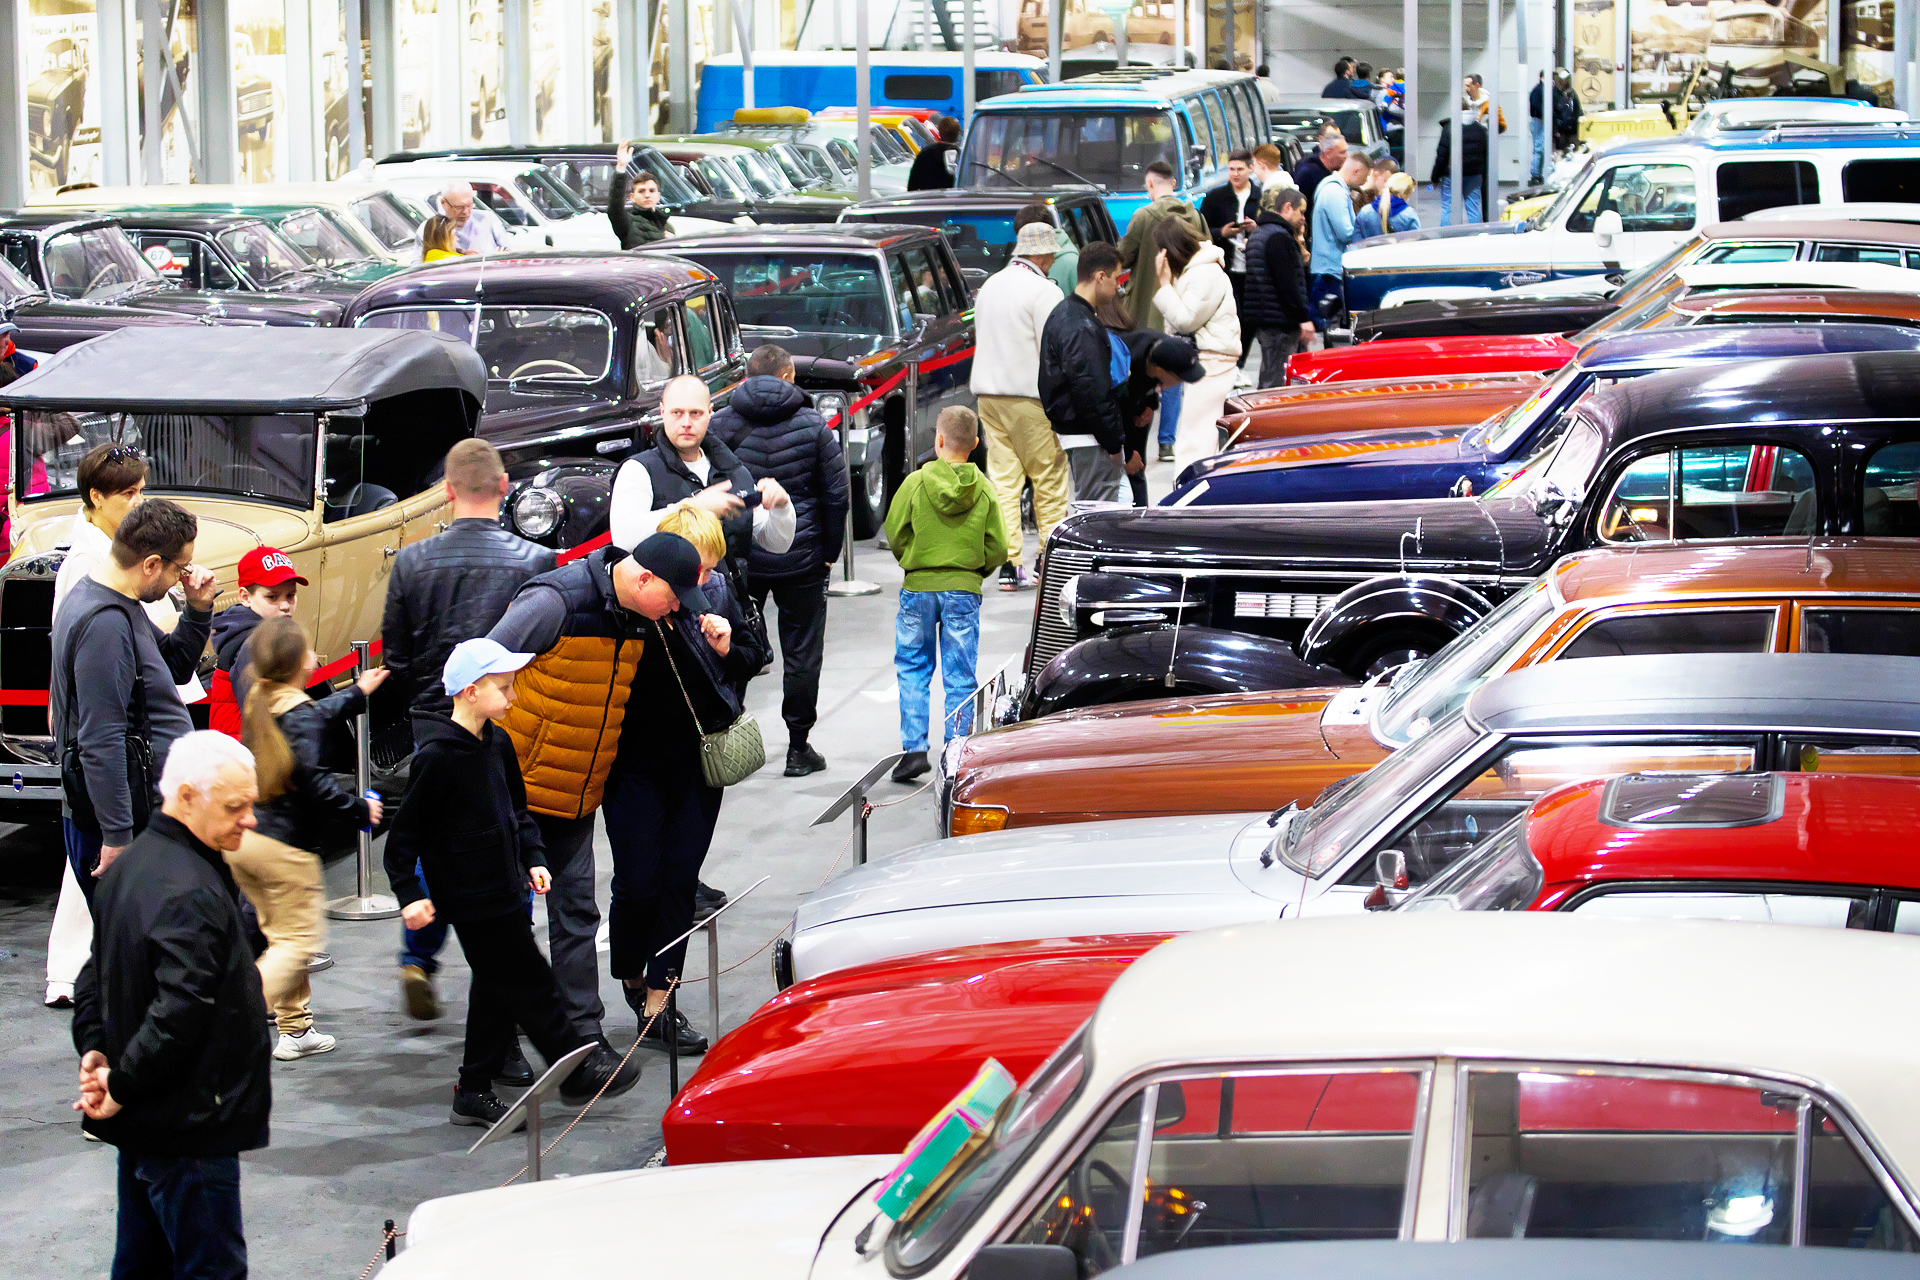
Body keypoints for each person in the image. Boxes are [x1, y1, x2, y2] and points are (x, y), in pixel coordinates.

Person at [485, 529, 724, 1056]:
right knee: (509, 924)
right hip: (516, 793)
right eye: (673, 597)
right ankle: (497, 1046)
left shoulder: (640, 614)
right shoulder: (555, 600)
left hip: (578, 794)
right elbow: (480, 669)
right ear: (643, 578)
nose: (676, 610)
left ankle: (583, 1036)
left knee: (576, 915)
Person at [387, 639, 641, 1129]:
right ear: (469, 691)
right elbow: (403, 839)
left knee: (497, 988)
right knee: (530, 980)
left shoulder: (497, 743)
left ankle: (474, 1088)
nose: (513, 698)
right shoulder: (437, 758)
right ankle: (575, 1067)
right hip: (468, 896)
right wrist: (410, 895)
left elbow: (517, 811)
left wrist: (533, 857)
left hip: (506, 886)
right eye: (503, 689)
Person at [72, 731, 271, 1280]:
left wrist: (95, 1050)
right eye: (235, 806)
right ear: (186, 796)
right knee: (210, 1268)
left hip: (147, 1120)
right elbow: (180, 1010)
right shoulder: (189, 889)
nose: (249, 819)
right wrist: (120, 1083)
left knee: (141, 1266)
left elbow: (95, 975)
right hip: (188, 1122)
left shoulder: (131, 867)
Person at [382, 438, 556, 1031]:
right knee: (499, 839)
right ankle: (501, 992)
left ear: (447, 491)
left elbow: (397, 656)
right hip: (508, 721)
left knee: (435, 840)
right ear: (506, 488)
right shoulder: (534, 561)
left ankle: (419, 951)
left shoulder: (410, 562)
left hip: (435, 720)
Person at [610, 376, 801, 770]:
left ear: (711, 414)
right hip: (660, 624)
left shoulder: (733, 468)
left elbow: (773, 541)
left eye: (696, 413)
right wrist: (696, 504)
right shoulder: (638, 470)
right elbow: (624, 536)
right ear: (661, 413)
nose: (686, 422)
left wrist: (782, 507)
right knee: (665, 728)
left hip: (726, 616)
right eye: (677, 413)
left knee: (722, 715)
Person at [43, 443, 171, 1010]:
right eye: (128, 493)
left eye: (141, 490)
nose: (138, 501)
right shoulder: (89, 573)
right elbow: (99, 726)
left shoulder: (107, 566)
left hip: (114, 762)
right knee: (102, 889)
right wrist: (119, 833)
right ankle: (78, 981)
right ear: (96, 497)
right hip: (108, 766)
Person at [52, 498, 217, 911]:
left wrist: (197, 609)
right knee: (137, 962)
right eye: (179, 568)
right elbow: (100, 740)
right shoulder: (104, 622)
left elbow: (174, 668)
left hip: (141, 812)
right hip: (126, 825)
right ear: (150, 564)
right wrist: (117, 838)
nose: (182, 577)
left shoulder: (119, 603)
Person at [234, 616, 387, 1061]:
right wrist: (360, 810)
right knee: (295, 943)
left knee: (281, 936)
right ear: (300, 661)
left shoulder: (262, 697)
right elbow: (315, 781)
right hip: (284, 848)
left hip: (250, 842)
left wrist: (357, 693)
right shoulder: (294, 710)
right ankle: (226, 1025)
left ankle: (296, 1027)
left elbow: (311, 716)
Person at [705, 348, 849, 771]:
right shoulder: (814, 425)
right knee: (802, 652)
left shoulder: (719, 424)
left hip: (740, 559)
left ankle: (729, 739)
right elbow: (836, 495)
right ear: (788, 374)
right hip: (801, 559)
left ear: (746, 376)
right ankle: (799, 747)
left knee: (731, 643)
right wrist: (829, 555)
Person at [886, 406, 1005, 784]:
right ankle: (956, 753)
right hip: (963, 591)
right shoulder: (984, 488)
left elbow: (895, 531)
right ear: (974, 444)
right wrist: (973, 573)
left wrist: (913, 561)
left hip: (918, 588)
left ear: (937, 440)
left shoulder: (915, 483)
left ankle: (913, 751)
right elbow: (998, 546)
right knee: (960, 673)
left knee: (912, 666)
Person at [970, 220, 1067, 592]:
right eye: (1052, 252)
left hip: (989, 397)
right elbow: (1053, 349)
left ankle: (1010, 565)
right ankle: (1049, 557)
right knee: (1049, 476)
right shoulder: (1044, 291)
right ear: (1041, 253)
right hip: (1030, 397)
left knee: (1005, 481)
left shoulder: (991, 285)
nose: (1055, 257)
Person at [1117, 162, 1206, 461]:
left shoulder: (1143, 216)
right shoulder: (1194, 215)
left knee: (1146, 372)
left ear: (1152, 185)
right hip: (1185, 307)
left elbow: (1123, 256)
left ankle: (1139, 435)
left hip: (1148, 309)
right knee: (1175, 373)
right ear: (1174, 182)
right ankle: (1167, 441)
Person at [1151, 219, 1240, 479]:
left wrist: (1165, 285)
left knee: (1195, 439)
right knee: (1199, 436)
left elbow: (1185, 319)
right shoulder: (1196, 271)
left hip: (1212, 364)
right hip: (1205, 363)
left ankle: (1189, 498)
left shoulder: (1204, 273)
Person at [1039, 241, 1127, 502]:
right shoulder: (1081, 324)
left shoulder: (1064, 313)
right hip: (1089, 436)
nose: (1118, 286)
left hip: (1078, 432)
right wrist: (1112, 440)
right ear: (1100, 277)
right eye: (1116, 278)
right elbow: (1092, 389)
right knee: (1096, 512)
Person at [207, 547, 304, 740]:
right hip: (247, 754)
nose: (285, 605)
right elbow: (264, 715)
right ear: (245, 597)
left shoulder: (261, 634)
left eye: (290, 596)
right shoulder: (254, 643)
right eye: (272, 597)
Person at [1115, 331, 1204, 505]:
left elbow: (1152, 385)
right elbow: (1114, 412)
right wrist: (1126, 454)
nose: (1180, 384)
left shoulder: (1160, 350)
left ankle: (1142, 518)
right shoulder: (1127, 363)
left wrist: (1150, 405)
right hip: (1112, 421)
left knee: (1137, 468)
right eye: (1179, 378)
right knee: (1129, 470)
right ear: (1160, 369)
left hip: (1135, 410)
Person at [1245, 186, 1315, 389]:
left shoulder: (1261, 233)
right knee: (1275, 382)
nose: (1303, 217)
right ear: (1287, 207)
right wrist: (1303, 317)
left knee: (1271, 374)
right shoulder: (1279, 237)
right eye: (1301, 211)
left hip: (1266, 317)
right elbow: (1287, 283)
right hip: (1280, 321)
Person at [1199, 149, 1261, 371]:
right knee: (1232, 314)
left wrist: (1256, 229)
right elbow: (1201, 229)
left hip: (1253, 267)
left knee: (1250, 317)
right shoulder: (1215, 197)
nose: (1235, 174)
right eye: (1231, 169)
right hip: (1226, 266)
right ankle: (1232, 361)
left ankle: (1240, 360)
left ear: (1250, 169)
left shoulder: (1260, 196)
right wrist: (1221, 233)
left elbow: (1270, 226)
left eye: (1240, 169)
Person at [1310, 150, 1369, 326]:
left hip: (1328, 267)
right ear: (1356, 171)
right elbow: (1345, 233)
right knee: (1335, 326)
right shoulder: (1335, 192)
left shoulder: (1330, 187)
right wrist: (1364, 228)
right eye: (1364, 178)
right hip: (1330, 271)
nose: (1364, 183)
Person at [1432, 101, 1490, 225]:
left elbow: (1442, 154)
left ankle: (1446, 236)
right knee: (1473, 207)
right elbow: (1485, 155)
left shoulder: (1450, 127)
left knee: (1448, 208)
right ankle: (1477, 235)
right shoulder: (1480, 129)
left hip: (1451, 174)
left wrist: (1435, 176)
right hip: (1474, 174)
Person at [609, 144, 672, 248]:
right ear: (632, 197)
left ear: (658, 196)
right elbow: (614, 207)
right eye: (641, 191)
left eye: (652, 191)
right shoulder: (627, 222)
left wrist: (673, 243)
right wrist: (621, 167)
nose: (647, 195)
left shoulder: (666, 226)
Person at [427, 180, 512, 256]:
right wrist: (465, 259)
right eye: (459, 207)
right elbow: (418, 266)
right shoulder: (432, 228)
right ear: (443, 203)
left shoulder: (487, 219)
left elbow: (508, 252)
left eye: (469, 205)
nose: (466, 212)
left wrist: (498, 258)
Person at [1012, 203, 1077, 298]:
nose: (1024, 243)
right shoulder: (1016, 262)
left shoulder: (1071, 262)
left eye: (1029, 237)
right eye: (1021, 237)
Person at [1293, 127, 1347, 222]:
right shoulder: (1309, 174)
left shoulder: (1330, 171)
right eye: (1342, 152)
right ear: (1329, 153)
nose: (1346, 156)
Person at [1355, 165, 1420, 239]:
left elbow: (1356, 243)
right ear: (1406, 194)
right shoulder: (1409, 215)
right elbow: (1415, 243)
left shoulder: (1365, 212)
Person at [907, 115, 961, 190]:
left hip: (928, 199)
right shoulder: (961, 156)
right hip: (953, 200)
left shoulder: (925, 153)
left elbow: (912, 185)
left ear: (939, 132)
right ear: (957, 134)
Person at [1551, 68, 1583, 153]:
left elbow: (1578, 110)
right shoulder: (1553, 93)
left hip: (1572, 131)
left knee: (1573, 152)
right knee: (1561, 153)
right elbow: (1553, 113)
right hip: (1561, 132)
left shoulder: (1571, 93)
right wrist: (1555, 130)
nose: (1565, 81)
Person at [1527, 70, 1549, 184]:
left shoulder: (1539, 90)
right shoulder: (1539, 90)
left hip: (1538, 120)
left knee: (1539, 148)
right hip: (1539, 121)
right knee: (1539, 148)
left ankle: (1537, 174)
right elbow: (1536, 105)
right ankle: (1535, 174)